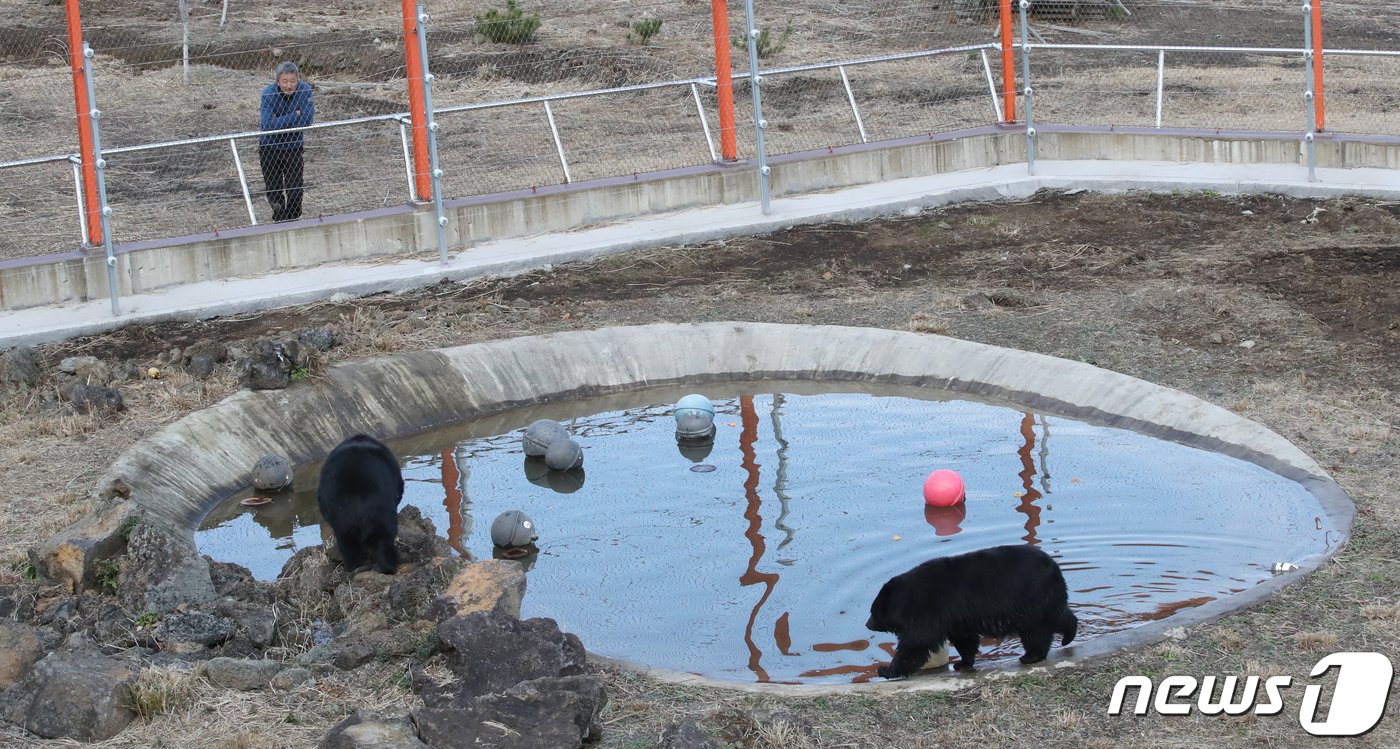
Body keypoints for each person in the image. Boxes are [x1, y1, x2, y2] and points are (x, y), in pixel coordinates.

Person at [258, 61, 314, 222]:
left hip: (294, 147)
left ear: (298, 80)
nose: (289, 85)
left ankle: (293, 219)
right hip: (269, 147)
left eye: (292, 81)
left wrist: (280, 120)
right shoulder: (268, 93)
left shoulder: (305, 90)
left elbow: (307, 120)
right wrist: (295, 115)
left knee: (295, 190)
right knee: (274, 191)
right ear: (277, 82)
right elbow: (268, 126)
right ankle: (280, 221)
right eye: (285, 81)